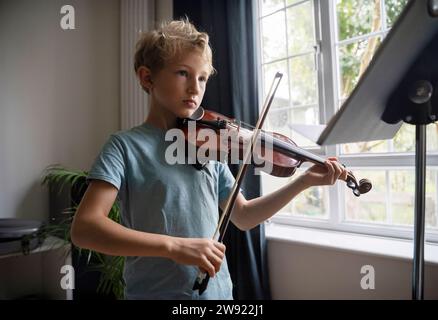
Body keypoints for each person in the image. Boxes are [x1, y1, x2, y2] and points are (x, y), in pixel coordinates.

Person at [70, 19, 348, 300]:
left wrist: (302, 182)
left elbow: (244, 216)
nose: (195, 88)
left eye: (202, 78)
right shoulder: (125, 147)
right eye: (182, 73)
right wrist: (174, 246)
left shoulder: (209, 146)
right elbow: (85, 228)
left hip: (218, 294)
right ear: (147, 78)